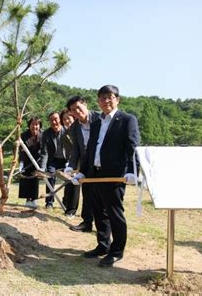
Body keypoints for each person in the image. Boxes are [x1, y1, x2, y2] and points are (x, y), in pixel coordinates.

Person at [72, 85, 140, 267]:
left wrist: (133, 171)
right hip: (94, 174)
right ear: (98, 101)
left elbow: (133, 147)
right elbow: (89, 151)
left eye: (110, 97)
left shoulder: (127, 120)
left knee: (114, 213)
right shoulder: (96, 123)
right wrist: (82, 172)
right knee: (98, 212)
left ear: (117, 99)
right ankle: (103, 245)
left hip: (114, 175)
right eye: (102, 98)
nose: (106, 101)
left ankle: (116, 251)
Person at [64, 96, 101, 232]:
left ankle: (103, 227)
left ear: (85, 105)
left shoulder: (100, 118)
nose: (77, 111)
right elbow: (76, 149)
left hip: (102, 161)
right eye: (73, 110)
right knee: (87, 192)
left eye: (79, 107)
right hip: (86, 163)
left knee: (102, 195)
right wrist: (71, 165)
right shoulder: (74, 127)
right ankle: (87, 222)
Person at [39, 111, 67, 209]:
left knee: (69, 179)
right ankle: (49, 203)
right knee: (49, 176)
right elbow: (44, 152)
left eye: (55, 119)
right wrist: (42, 168)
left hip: (66, 160)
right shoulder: (46, 134)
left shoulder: (67, 130)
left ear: (60, 119)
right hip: (53, 160)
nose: (54, 122)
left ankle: (66, 201)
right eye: (51, 120)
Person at [18, 116, 42, 209]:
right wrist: (21, 162)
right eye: (32, 124)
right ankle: (28, 199)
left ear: (39, 125)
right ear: (29, 125)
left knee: (35, 179)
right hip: (26, 160)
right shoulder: (23, 135)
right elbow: (20, 149)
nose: (34, 126)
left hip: (38, 161)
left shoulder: (42, 135)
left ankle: (34, 199)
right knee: (26, 178)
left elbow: (44, 149)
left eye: (36, 124)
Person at [60, 109, 79, 217]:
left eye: (68, 118)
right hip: (73, 162)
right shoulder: (65, 135)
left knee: (76, 184)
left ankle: (73, 211)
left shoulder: (81, 128)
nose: (66, 121)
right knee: (70, 181)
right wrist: (70, 164)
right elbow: (69, 152)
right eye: (64, 119)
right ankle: (69, 207)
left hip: (86, 161)